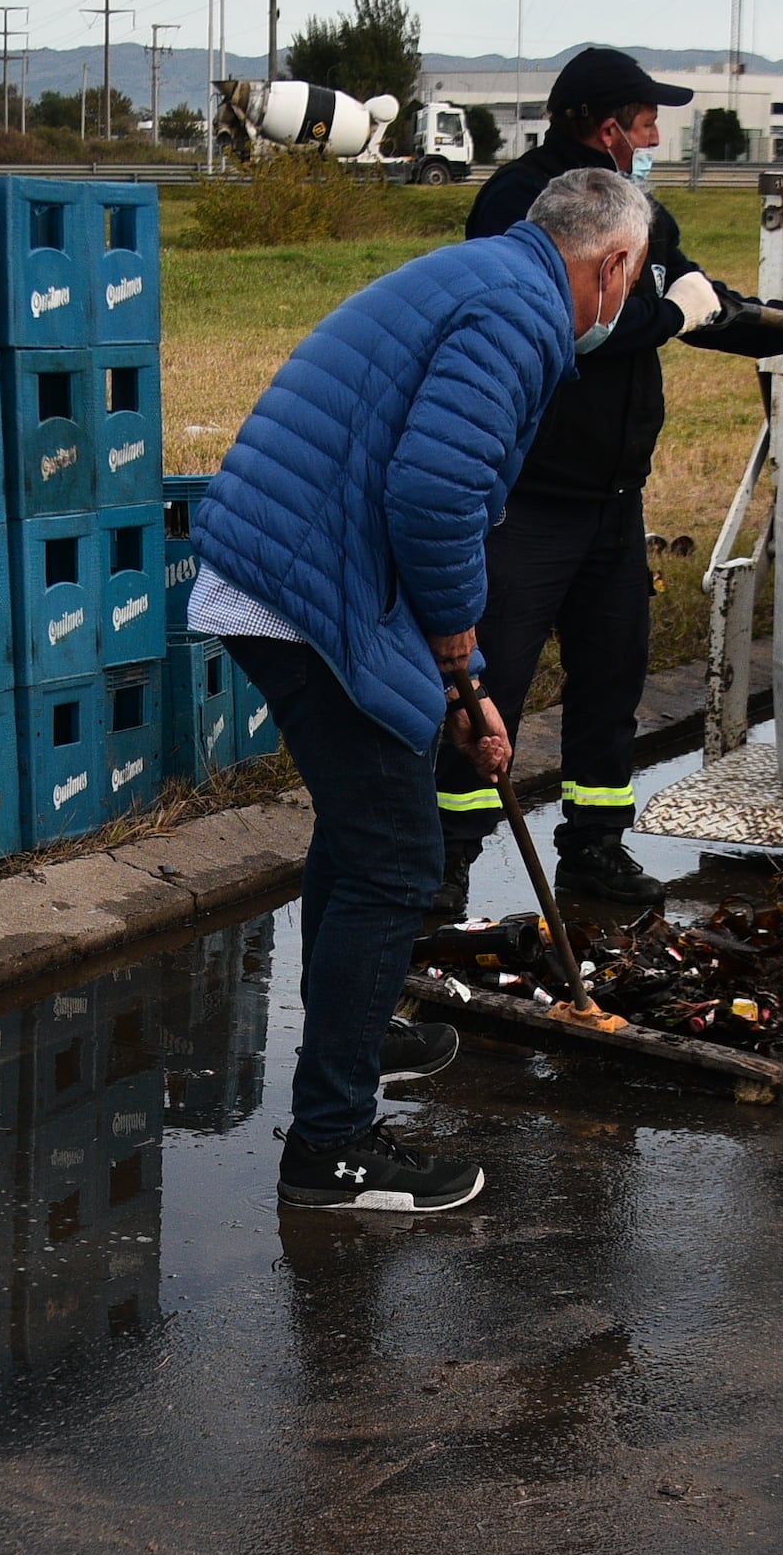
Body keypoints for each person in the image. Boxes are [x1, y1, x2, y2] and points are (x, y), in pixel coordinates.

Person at [187, 165, 656, 1213]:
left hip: (291, 566)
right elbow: (436, 494)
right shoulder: (522, 313)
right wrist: (460, 664)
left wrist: (463, 684)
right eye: (635, 278)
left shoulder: (489, 275)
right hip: (302, 583)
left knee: (364, 837)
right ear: (612, 262)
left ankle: (356, 1035)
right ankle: (332, 1148)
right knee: (396, 859)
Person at [433, 47, 783, 922]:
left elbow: (689, 294)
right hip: (530, 497)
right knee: (495, 682)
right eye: (645, 122)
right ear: (606, 127)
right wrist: (674, 314)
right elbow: (584, 323)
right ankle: (444, 859)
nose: (656, 136)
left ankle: (596, 844)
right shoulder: (519, 204)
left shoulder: (638, 212)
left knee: (611, 677)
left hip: (612, 498)